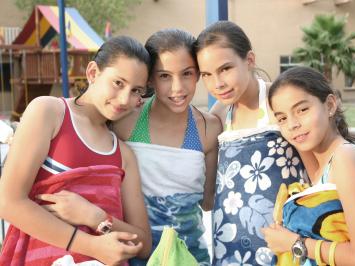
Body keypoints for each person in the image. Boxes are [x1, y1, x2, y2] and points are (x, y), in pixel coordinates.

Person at [0, 36, 152, 265]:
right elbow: (9, 202)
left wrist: (96, 217)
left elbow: (143, 243)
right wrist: (92, 246)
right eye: (118, 83)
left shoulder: (123, 155)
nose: (124, 99)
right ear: (93, 73)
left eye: (136, 91)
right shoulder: (49, 112)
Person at [195, 21, 305, 265]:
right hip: (231, 243)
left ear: (249, 60)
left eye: (225, 69)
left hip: (284, 242)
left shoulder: (279, 103)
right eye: (206, 75)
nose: (217, 84)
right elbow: (212, 191)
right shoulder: (220, 114)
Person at [113, 28, 221, 265]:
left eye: (187, 73)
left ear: (198, 74)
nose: (177, 88)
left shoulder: (208, 129)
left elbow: (208, 200)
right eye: (164, 76)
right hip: (134, 255)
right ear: (149, 78)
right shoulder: (125, 121)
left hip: (191, 256)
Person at [263, 66, 355, 266]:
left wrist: (293, 243)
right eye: (282, 118)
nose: (292, 124)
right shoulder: (319, 165)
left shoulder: (346, 158)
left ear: (330, 105)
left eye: (302, 110)